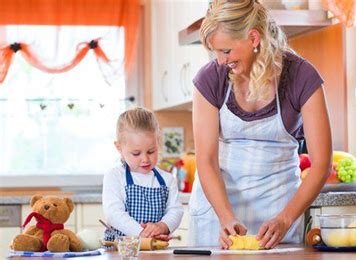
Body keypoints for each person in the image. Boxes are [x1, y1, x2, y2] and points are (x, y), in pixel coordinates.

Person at [189, 0, 332, 249]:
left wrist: (285, 219)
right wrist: (226, 217)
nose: (220, 61)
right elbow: (207, 161)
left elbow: (321, 164)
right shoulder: (210, 78)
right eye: (216, 52)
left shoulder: (302, 77)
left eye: (226, 51)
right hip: (218, 212)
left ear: (253, 38)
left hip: (277, 214)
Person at [102, 107, 183, 241]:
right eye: (136, 153)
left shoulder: (167, 180)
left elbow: (176, 211)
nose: (145, 159)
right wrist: (141, 232)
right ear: (119, 148)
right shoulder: (115, 176)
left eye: (151, 151)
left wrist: (162, 226)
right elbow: (114, 214)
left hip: (155, 250)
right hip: (120, 250)